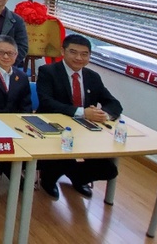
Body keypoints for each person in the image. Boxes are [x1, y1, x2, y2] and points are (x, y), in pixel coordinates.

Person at [36, 34, 123, 200]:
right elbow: (47, 103)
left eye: (84, 54)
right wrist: (82, 112)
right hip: (54, 130)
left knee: (109, 170)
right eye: (73, 52)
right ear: (63, 51)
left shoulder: (92, 77)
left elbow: (114, 104)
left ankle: (78, 178)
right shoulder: (48, 71)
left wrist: (103, 114)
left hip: (85, 132)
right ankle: (48, 180)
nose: (79, 58)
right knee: (62, 159)